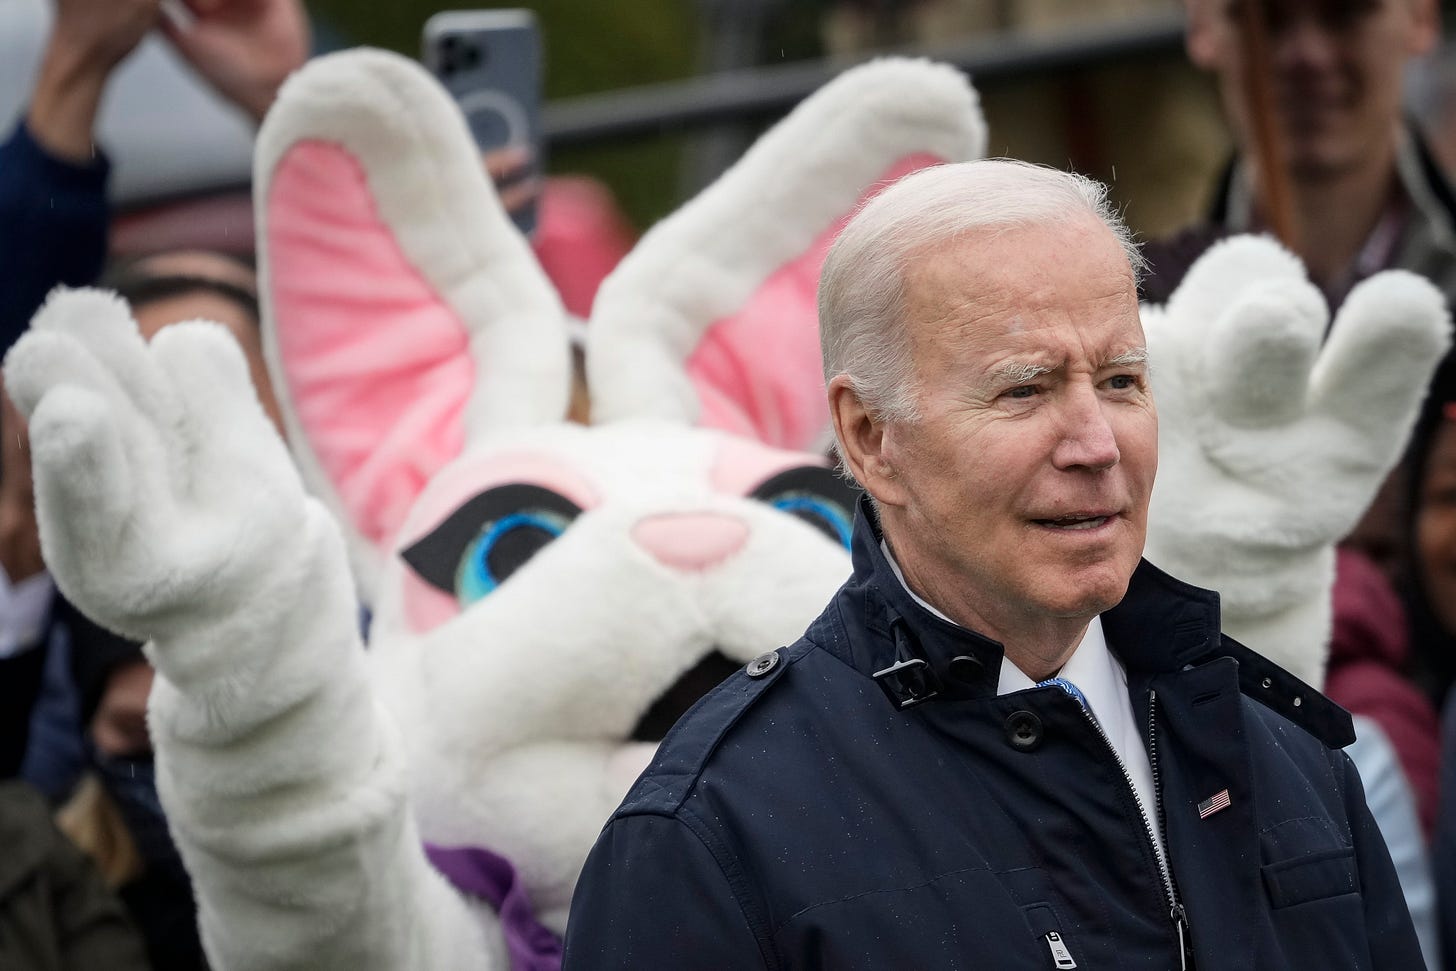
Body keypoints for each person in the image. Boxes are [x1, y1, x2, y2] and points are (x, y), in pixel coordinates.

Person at [561, 160, 1422, 969]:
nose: (1096, 444)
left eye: (1121, 380)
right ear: (869, 436)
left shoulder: (1283, 756)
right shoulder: (711, 833)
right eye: (1025, 389)